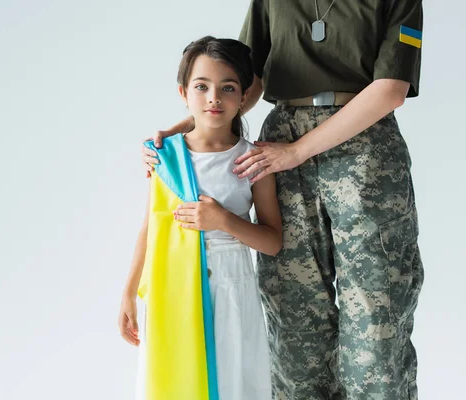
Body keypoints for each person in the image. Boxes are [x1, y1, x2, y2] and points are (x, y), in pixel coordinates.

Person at [141, 1, 425, 399]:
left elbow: (391, 89)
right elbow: (241, 78)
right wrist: (184, 133)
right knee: (295, 318)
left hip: (365, 147)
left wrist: (298, 152)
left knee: (376, 315)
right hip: (280, 143)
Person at [119, 36, 282, 400]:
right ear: (183, 93)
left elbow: (272, 242)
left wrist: (224, 220)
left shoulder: (253, 160)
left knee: (233, 382)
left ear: (243, 97)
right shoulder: (165, 157)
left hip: (232, 288)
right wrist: (129, 292)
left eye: (228, 87)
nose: (214, 98)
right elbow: (151, 227)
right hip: (172, 287)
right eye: (202, 86)